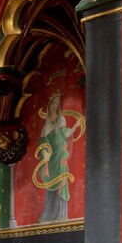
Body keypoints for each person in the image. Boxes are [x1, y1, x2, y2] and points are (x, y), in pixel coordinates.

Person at [35, 93, 84, 223]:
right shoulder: (46, 125)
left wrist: (75, 126)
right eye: (53, 103)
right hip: (51, 160)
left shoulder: (61, 119)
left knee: (62, 184)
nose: (55, 105)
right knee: (50, 185)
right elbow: (42, 141)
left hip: (60, 158)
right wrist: (45, 152)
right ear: (49, 104)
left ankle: (61, 214)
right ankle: (48, 215)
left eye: (57, 103)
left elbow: (65, 134)